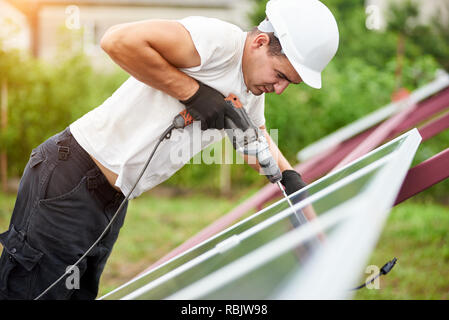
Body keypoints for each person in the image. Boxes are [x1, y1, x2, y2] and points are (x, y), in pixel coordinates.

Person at [0, 0, 339, 300]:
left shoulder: (253, 90)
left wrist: (292, 183)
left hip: (112, 200)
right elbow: (116, 41)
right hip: (70, 174)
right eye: (280, 75)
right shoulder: (218, 42)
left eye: (287, 84)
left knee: (75, 293)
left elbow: (254, 139)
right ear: (260, 42)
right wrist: (193, 94)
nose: (278, 89)